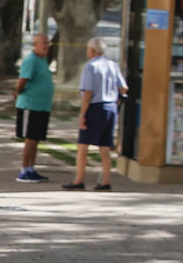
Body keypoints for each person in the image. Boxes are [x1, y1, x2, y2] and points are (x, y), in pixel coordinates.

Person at [64, 37, 128, 191]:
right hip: (110, 107)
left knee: (83, 146)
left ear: (92, 51)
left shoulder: (90, 67)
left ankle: (79, 180)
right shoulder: (113, 65)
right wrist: (116, 102)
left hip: (95, 107)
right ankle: (105, 181)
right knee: (105, 147)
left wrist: (82, 114)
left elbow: (88, 93)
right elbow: (124, 88)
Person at [13, 33, 55, 182]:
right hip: (30, 106)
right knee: (30, 139)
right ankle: (24, 170)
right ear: (35, 45)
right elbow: (22, 80)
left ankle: (31, 168)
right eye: (42, 43)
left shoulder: (42, 60)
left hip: (42, 107)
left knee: (36, 139)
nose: (46, 46)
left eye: (47, 43)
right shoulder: (31, 60)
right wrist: (17, 92)